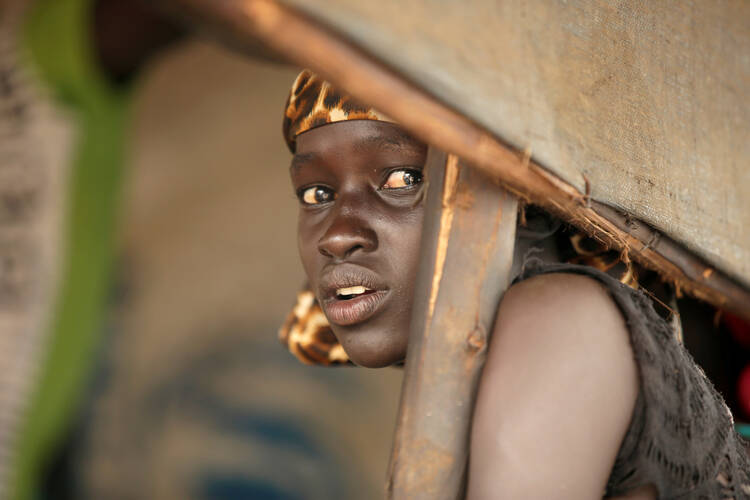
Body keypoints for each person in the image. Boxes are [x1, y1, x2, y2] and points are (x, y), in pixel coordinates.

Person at [279, 70, 750, 499]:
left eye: (403, 179)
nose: (337, 235)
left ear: (532, 205)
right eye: (317, 194)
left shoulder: (558, 321)